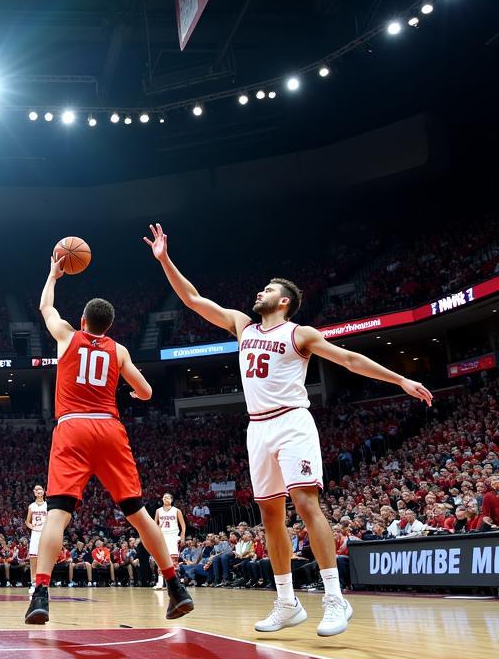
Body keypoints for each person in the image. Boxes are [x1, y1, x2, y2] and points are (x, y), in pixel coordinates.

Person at [145, 222, 433, 636]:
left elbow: (349, 360)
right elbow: (192, 300)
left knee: (306, 504)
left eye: (267, 290)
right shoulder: (242, 326)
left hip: (292, 421)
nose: (258, 293)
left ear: (284, 301)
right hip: (257, 428)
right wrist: (165, 260)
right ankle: (287, 602)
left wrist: (401, 380)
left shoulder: (300, 333)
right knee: (269, 514)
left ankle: (335, 599)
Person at [26, 253, 193, 625]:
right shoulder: (119, 350)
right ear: (110, 325)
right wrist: (133, 395)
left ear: (83, 321)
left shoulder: (67, 336)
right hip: (109, 427)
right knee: (137, 512)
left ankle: (40, 593)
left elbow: (45, 307)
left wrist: (53, 275)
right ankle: (175, 585)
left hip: (72, 427)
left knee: (57, 514)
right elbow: (147, 391)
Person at [154, 493, 186, 591]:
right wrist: (156, 531)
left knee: (174, 561)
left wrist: (183, 536)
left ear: (171, 500)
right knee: (160, 560)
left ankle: (174, 583)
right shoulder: (158, 511)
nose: (165, 499)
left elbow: (183, 525)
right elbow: (154, 524)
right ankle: (160, 583)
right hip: (162, 536)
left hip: (173, 536)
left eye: (167, 497)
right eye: (164, 497)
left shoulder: (176, 511)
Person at [24, 484, 48, 592]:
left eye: (40, 489)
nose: (38, 491)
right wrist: (31, 526)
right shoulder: (31, 506)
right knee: (33, 558)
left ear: (44, 491)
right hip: (35, 533)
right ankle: (33, 582)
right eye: (36, 489)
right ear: (34, 492)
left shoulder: (48, 505)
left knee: (44, 558)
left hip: (45, 533)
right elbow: (27, 521)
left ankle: (43, 582)